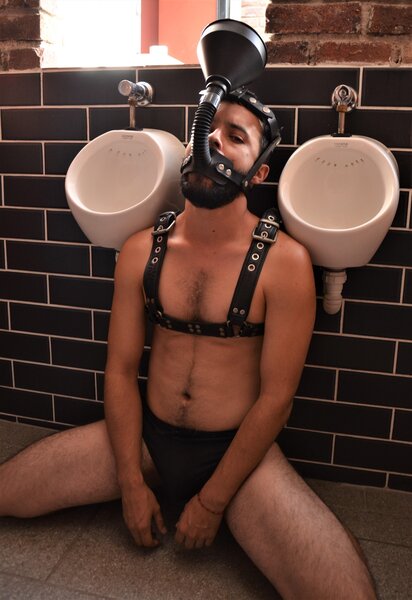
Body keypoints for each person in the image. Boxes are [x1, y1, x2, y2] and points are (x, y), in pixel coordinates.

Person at [0, 91, 376, 600]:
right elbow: (120, 369)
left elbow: (276, 400)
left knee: (343, 592)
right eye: (207, 129)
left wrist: (213, 502)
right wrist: (130, 483)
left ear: (259, 173)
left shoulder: (284, 263)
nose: (213, 141)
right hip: (147, 439)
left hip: (237, 455)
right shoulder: (143, 249)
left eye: (235, 136)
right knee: (9, 492)